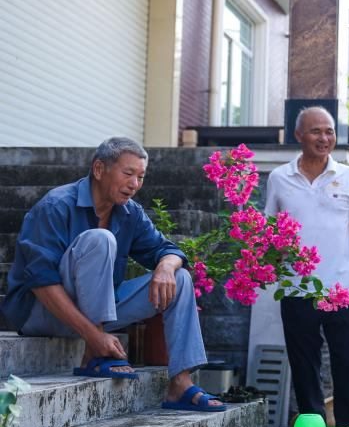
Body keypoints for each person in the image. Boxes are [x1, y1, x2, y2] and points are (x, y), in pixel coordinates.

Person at [2, 137, 223, 411]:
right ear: (99, 169)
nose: (135, 184)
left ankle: (180, 383)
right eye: (128, 174)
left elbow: (167, 249)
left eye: (141, 177)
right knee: (100, 239)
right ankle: (95, 352)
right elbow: (41, 282)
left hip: (95, 314)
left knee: (180, 278)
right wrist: (94, 336)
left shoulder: (129, 213)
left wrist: (166, 265)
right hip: (42, 314)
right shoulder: (56, 206)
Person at [264, 106, 349, 427]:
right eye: (316, 131)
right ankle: (313, 426)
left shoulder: (348, 176)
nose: (324, 138)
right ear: (298, 136)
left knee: (344, 361)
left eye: (329, 131)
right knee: (303, 362)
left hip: (340, 287)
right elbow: (272, 230)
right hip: (296, 286)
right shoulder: (279, 178)